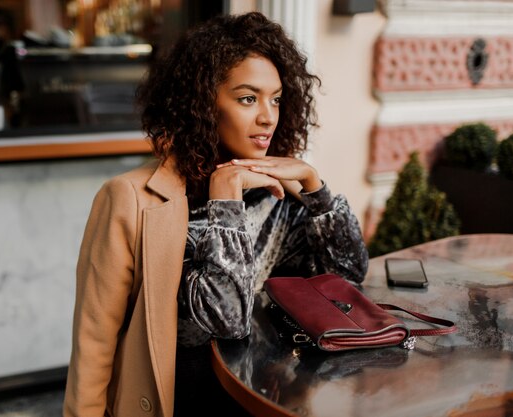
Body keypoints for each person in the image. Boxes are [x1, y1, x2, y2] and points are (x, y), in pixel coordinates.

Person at [63, 11, 368, 417]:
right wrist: (225, 199)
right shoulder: (131, 198)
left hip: (259, 395)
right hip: (173, 399)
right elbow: (97, 339)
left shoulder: (278, 194)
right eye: (247, 98)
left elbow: (346, 277)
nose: (267, 117)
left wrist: (316, 188)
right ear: (203, 103)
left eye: (276, 99)